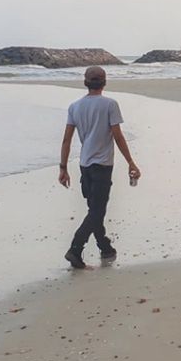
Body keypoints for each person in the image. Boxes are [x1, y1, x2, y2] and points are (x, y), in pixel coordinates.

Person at [58, 66, 141, 269]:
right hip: (102, 165)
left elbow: (66, 140)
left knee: (95, 210)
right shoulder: (110, 104)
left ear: (85, 82)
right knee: (96, 211)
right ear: (104, 82)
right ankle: (75, 249)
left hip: (85, 165)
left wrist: (63, 168)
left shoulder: (75, 106)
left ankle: (105, 247)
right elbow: (118, 135)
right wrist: (131, 161)